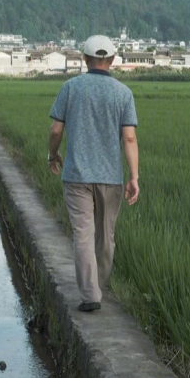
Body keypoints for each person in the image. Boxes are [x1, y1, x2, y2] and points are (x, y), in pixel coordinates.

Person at [48, 35, 139, 312]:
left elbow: (55, 130)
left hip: (76, 176)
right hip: (111, 177)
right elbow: (129, 139)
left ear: (84, 59)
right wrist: (134, 177)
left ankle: (91, 295)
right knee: (105, 236)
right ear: (112, 60)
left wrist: (53, 155)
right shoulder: (123, 93)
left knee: (83, 235)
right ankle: (97, 285)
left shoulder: (70, 87)